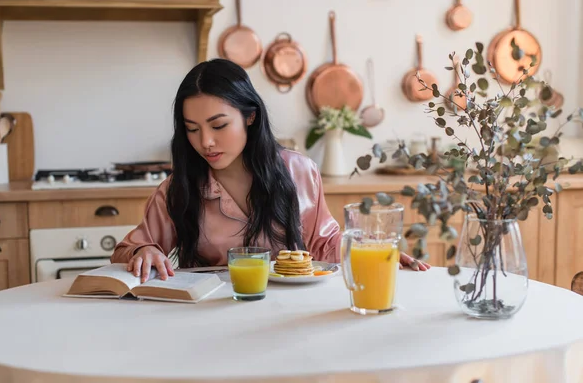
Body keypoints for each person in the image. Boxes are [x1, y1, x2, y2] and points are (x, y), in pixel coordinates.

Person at [110, 59, 430, 283]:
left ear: (250, 116)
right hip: (211, 319)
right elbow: (125, 251)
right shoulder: (178, 189)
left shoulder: (299, 172)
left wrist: (369, 249)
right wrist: (145, 250)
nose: (205, 142)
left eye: (219, 125)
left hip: (291, 316)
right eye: (192, 129)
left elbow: (323, 243)